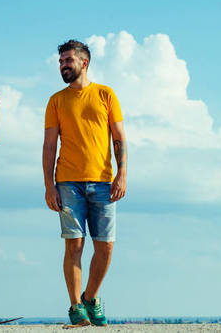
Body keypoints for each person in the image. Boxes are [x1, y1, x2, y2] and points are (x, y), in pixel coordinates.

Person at [43, 39, 128, 327]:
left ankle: (91, 297)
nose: (63, 65)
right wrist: (48, 185)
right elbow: (48, 146)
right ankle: (76, 307)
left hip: (104, 182)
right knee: (74, 246)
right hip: (67, 183)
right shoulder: (56, 100)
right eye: (61, 61)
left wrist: (122, 173)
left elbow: (118, 138)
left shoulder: (105, 94)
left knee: (105, 247)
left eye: (68, 60)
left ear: (84, 63)